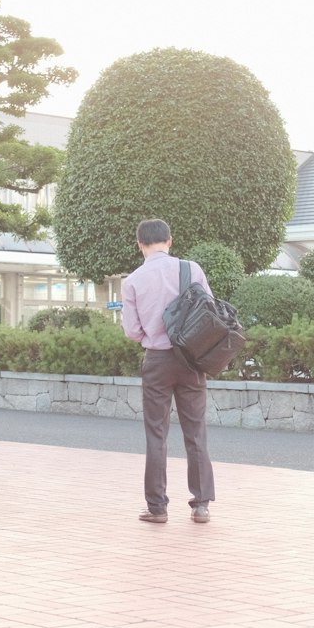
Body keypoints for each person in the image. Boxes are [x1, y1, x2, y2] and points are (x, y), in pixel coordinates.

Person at [120, 219, 216, 524]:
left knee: (156, 434)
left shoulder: (132, 280)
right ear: (170, 240)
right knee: (195, 432)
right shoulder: (192, 270)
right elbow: (209, 310)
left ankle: (157, 507)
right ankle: (201, 505)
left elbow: (132, 331)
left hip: (157, 360)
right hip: (191, 359)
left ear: (140, 244)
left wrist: (152, 333)